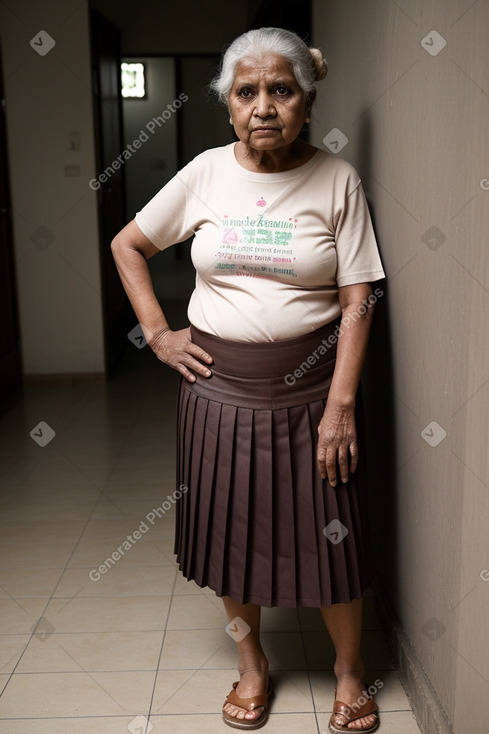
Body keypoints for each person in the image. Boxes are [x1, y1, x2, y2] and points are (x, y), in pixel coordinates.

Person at [111, 27, 385, 733]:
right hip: (217, 392)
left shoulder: (337, 179)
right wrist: (160, 335)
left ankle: (350, 671)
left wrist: (340, 407)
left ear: (306, 99)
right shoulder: (205, 172)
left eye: (280, 90)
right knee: (231, 536)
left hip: (312, 393)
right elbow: (129, 244)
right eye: (247, 92)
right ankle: (252, 666)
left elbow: (358, 299)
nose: (263, 107)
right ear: (229, 106)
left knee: (333, 536)